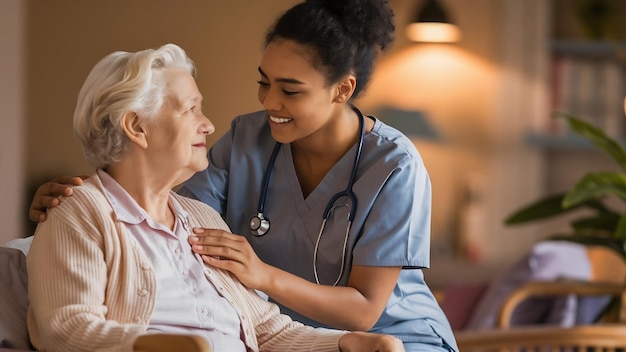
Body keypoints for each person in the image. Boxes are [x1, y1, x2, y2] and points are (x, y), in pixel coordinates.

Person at [29, 1, 458, 351]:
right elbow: (159, 211)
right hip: (295, 336)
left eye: (290, 90)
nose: (270, 101)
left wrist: (264, 276)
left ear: (341, 90)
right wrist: (81, 200)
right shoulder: (247, 140)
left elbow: (364, 310)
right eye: (263, 82)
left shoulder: (394, 165)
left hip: (395, 336)